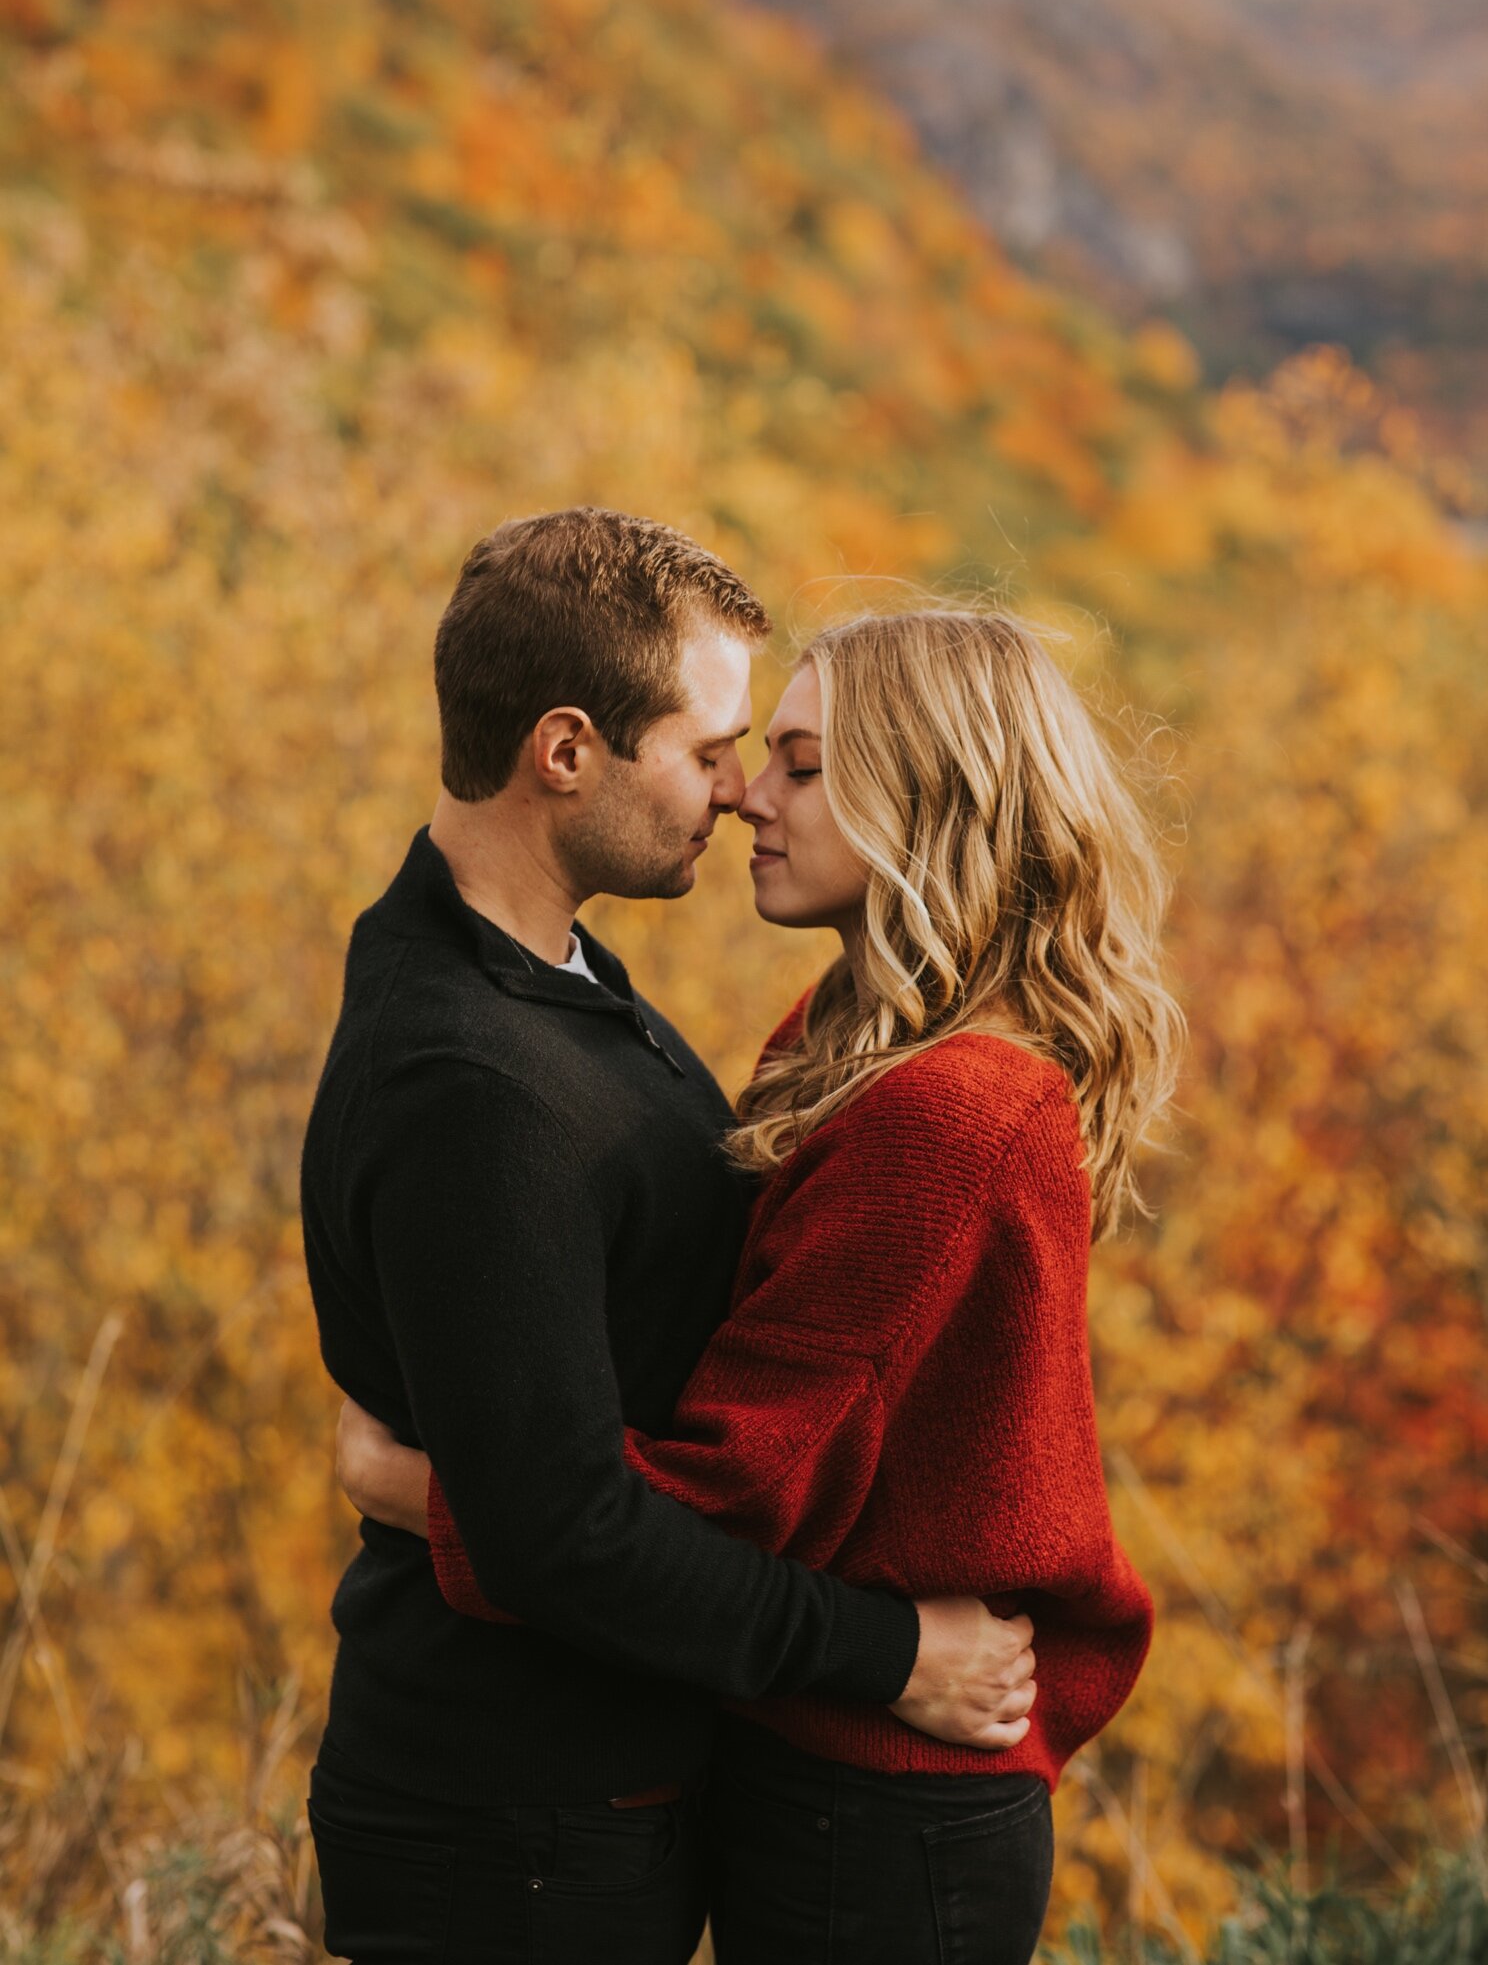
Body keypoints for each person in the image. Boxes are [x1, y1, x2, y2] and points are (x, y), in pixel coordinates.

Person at [339, 602, 1182, 1965]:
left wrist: (422, 1486)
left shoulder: (952, 1105)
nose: (747, 799)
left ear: (925, 791)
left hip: (889, 1803)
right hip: (820, 1755)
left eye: (798, 764)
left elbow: (739, 1494)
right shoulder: (851, 1031)